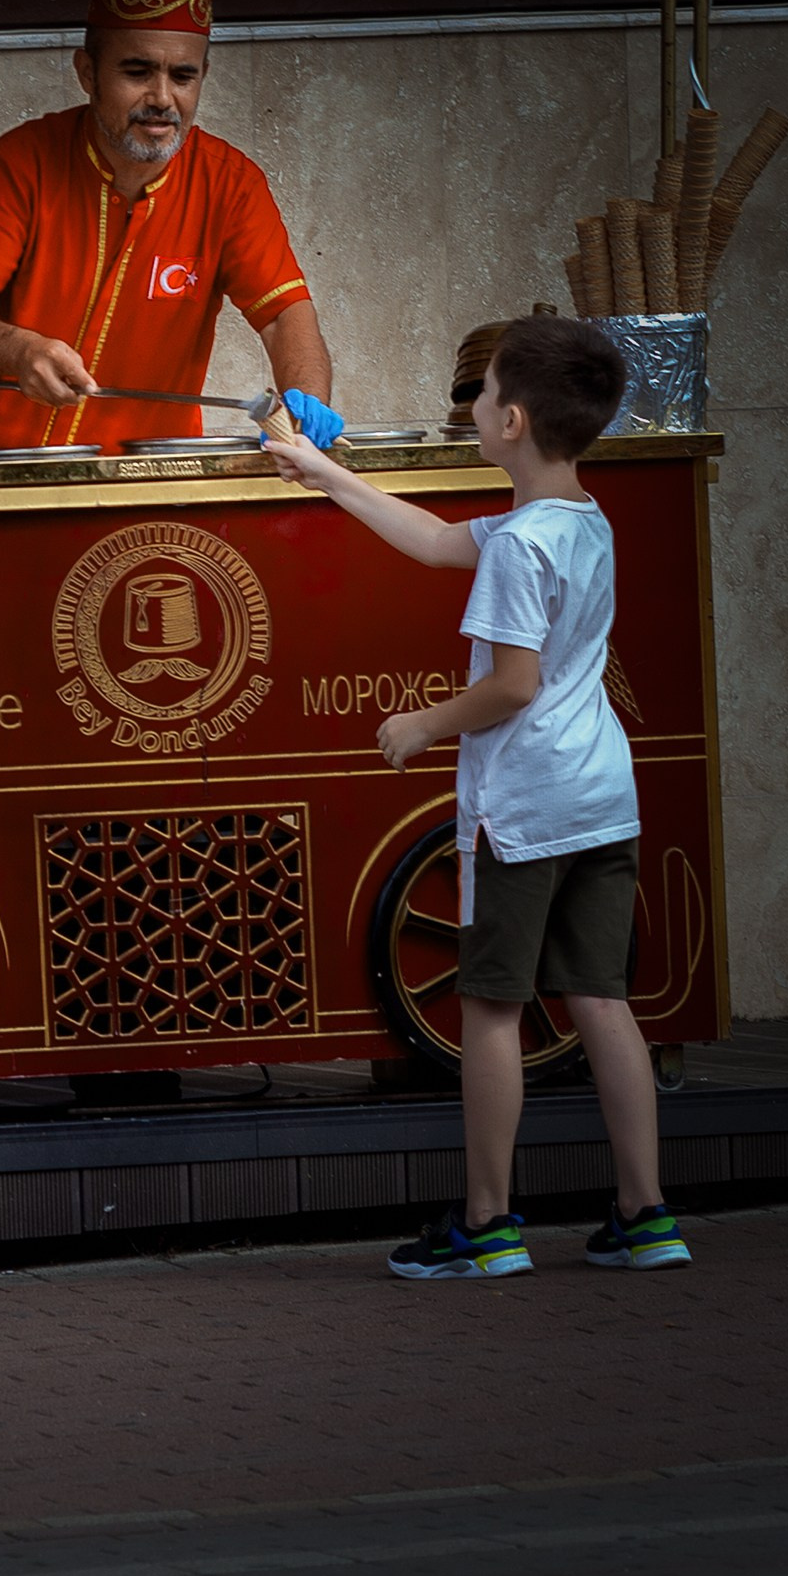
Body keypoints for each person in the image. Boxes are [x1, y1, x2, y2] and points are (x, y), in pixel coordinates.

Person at [263, 315, 691, 1281]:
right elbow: (432, 541)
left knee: (492, 1010)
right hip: (599, 798)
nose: (472, 405)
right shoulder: (580, 522)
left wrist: (421, 722)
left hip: (525, 807)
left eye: (481, 391)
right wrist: (322, 472)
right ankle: (646, 1213)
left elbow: (512, 686)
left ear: (511, 420)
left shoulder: (516, 548)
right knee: (602, 1000)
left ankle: (489, 1225)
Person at [0, 0, 344, 455]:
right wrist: (20, 350)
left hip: (154, 479)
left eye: (183, 76)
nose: (162, 98)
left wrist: (305, 403)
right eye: (137, 71)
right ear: (87, 72)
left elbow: (283, 315)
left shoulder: (231, 183)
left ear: (203, 76)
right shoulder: (18, 163)